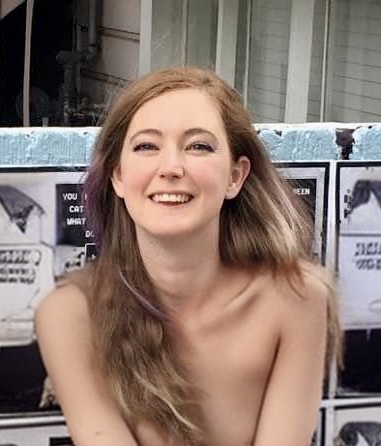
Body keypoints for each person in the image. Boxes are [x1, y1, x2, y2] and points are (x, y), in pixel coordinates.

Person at [35, 66, 342, 446]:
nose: (171, 168)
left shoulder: (298, 298)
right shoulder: (70, 313)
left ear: (235, 176)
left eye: (199, 146)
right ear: (117, 176)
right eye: (147, 146)